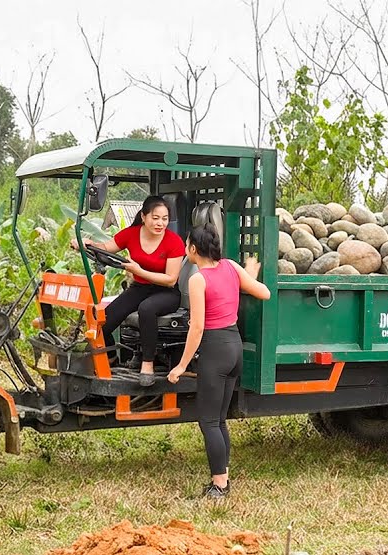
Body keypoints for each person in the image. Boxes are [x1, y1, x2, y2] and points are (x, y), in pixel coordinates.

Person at [167, 223, 270, 499]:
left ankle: (220, 486)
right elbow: (264, 292)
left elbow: (197, 327)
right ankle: (223, 477)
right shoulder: (230, 267)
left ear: (192, 249)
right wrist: (249, 273)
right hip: (234, 347)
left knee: (209, 422)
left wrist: (180, 366)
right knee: (220, 419)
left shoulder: (198, 280)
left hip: (214, 351)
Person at [73, 195, 185, 385]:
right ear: (144, 216)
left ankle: (147, 363)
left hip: (166, 292)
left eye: (164, 219)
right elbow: (106, 248)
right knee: (103, 322)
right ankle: (111, 360)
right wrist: (87, 244)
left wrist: (139, 270)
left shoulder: (174, 242)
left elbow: (170, 279)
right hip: (140, 288)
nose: (160, 223)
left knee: (147, 308)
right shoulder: (131, 234)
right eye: (155, 218)